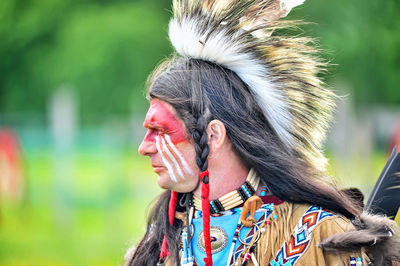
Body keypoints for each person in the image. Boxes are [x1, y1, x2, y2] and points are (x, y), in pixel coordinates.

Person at [125, 0, 400, 265]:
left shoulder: (320, 237)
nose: (144, 147)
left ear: (214, 136)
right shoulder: (160, 240)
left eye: (160, 130)